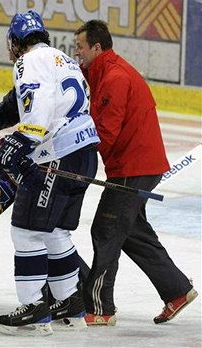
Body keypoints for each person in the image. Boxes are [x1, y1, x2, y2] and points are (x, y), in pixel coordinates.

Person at [0, 10, 100, 336]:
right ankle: (70, 302)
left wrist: (23, 139)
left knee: (25, 231)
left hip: (56, 155)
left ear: (15, 42)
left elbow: (37, 109)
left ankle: (35, 307)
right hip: (84, 152)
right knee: (54, 232)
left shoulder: (27, 62)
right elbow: (15, 105)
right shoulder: (60, 59)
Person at [74, 20, 198, 326]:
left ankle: (101, 308)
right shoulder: (103, 70)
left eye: (79, 47)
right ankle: (177, 290)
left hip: (134, 166)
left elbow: (106, 132)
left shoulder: (115, 78)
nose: (75, 52)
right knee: (130, 232)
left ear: (97, 47)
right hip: (137, 164)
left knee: (106, 230)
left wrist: (72, 156)